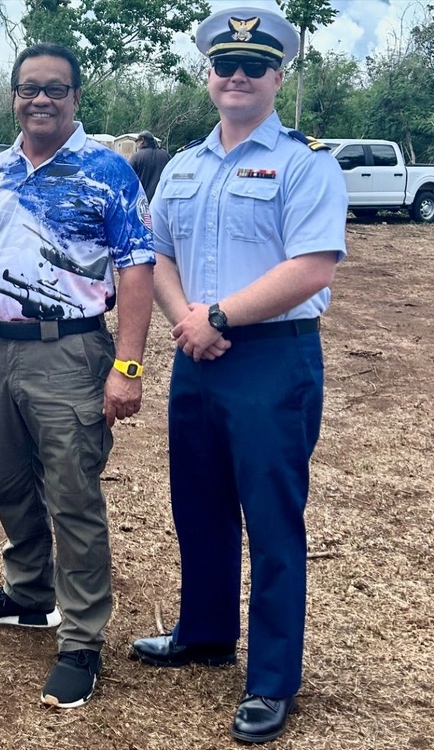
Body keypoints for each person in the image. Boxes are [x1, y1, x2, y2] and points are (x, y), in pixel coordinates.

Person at [128, 6, 348, 744]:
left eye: (254, 66)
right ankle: (206, 633)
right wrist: (187, 321)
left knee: (272, 520)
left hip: (271, 358)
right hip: (197, 355)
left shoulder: (306, 161)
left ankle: (274, 678)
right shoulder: (184, 165)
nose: (238, 77)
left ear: (278, 76)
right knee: (198, 503)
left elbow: (312, 265)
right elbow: (155, 251)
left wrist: (217, 318)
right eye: (226, 65)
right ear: (210, 74)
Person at [0, 42, 155, 709]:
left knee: (72, 496)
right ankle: (29, 594)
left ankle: (82, 640)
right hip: (1, 347)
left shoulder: (108, 171)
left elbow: (136, 270)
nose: (41, 99)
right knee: (9, 481)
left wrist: (126, 367)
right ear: (14, 95)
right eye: (28, 88)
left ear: (75, 98)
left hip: (72, 351)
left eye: (55, 89)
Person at [128, 130, 170, 203]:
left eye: (136, 141)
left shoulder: (136, 157)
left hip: (142, 202)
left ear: (142, 141)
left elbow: (127, 177)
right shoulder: (165, 155)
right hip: (162, 202)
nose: (136, 144)